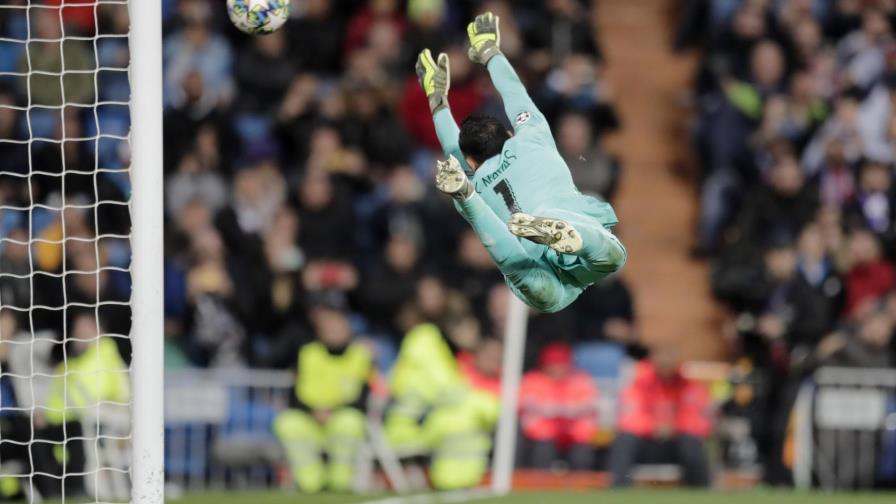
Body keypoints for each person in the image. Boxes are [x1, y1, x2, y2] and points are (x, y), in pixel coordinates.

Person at [415, 12, 626, 313]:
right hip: (570, 218)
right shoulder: (531, 136)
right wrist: (490, 52)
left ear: (471, 163)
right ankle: (578, 236)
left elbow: (452, 146)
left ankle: (471, 202)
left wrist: (436, 100)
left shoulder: (473, 177)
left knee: (539, 288)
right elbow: (514, 92)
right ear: (510, 133)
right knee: (611, 254)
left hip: (530, 261)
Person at [272, 301, 374, 493]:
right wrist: (313, 412)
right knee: (287, 422)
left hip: (341, 416)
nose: (333, 331)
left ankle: (340, 481)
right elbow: (294, 395)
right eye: (328, 327)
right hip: (311, 417)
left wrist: (332, 412)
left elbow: (364, 395)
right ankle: (310, 482)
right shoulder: (308, 354)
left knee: (350, 422)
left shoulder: (361, 355)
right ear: (319, 331)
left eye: (338, 326)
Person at [609, 345, 712, 487]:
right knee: (625, 440)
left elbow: (700, 422)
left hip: (676, 443)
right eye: (662, 362)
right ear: (653, 361)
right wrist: (653, 427)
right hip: (647, 443)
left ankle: (701, 491)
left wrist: (674, 427)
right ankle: (618, 491)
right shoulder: (639, 385)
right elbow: (628, 419)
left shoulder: (690, 387)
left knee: (692, 444)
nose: (666, 366)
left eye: (669, 362)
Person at [518, 342, 598, 470]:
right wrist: (560, 410)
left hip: (575, 434)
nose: (557, 369)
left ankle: (581, 486)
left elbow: (590, 404)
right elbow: (526, 404)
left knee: (582, 454)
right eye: (552, 364)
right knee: (542, 450)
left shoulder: (580, 380)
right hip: (543, 435)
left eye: (561, 364)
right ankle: (541, 483)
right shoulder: (532, 380)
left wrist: (561, 410)